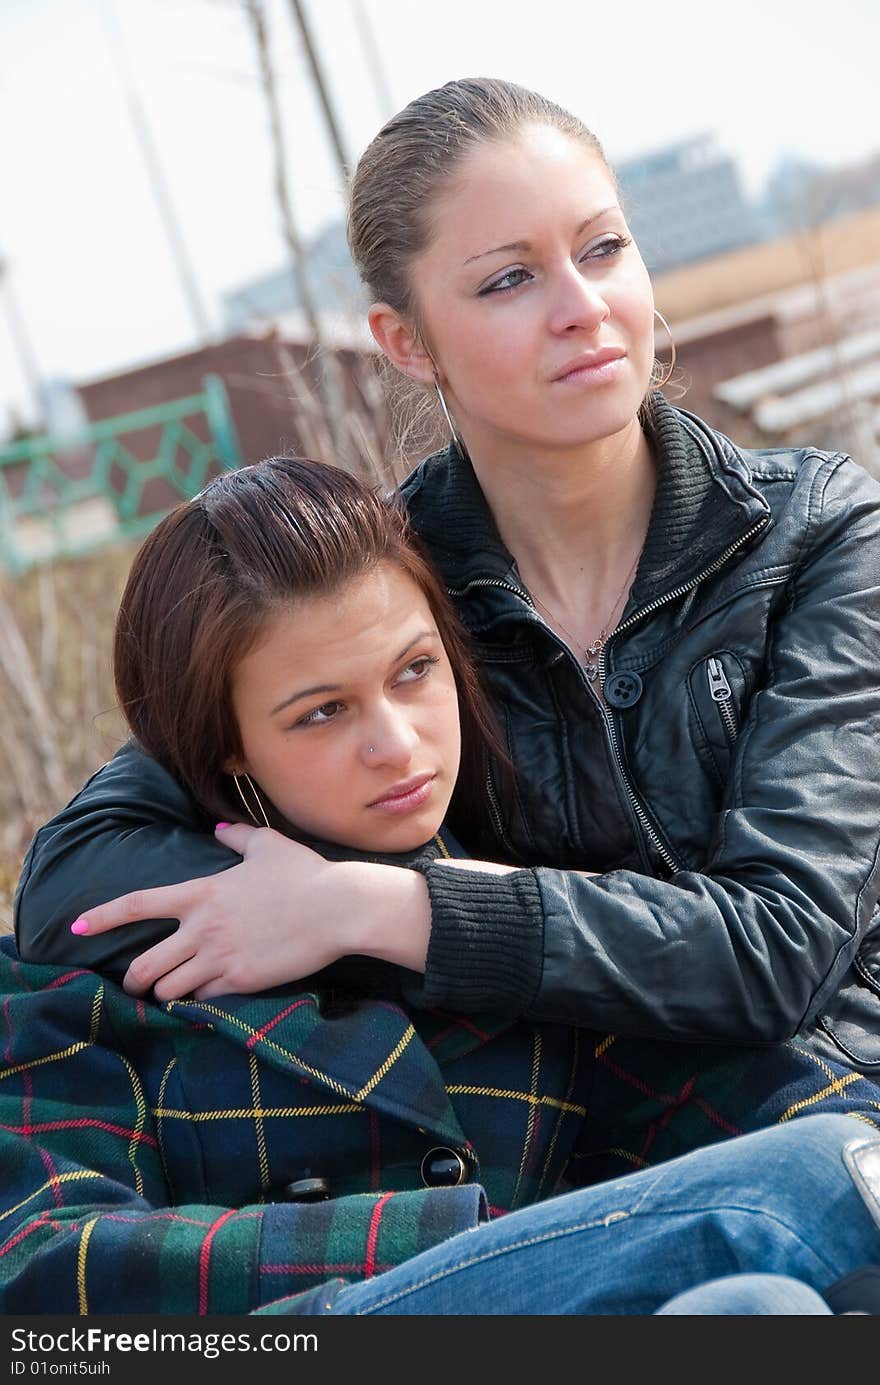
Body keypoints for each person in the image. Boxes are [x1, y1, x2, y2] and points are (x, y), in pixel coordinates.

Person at [13, 77, 880, 1146]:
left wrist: (376, 907)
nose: (581, 306)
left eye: (602, 248)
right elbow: (73, 876)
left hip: (838, 1103)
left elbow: (777, 951)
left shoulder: (813, 530)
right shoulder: (375, 586)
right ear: (406, 339)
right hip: (558, 1165)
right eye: (509, 278)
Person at [2, 456, 879, 1316]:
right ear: (224, 743)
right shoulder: (102, 961)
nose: (397, 743)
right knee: (810, 1185)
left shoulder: (507, 916)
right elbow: (39, 1267)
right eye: (321, 712)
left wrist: (380, 912)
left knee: (764, 1291)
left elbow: (769, 1102)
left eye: (414, 671)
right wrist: (478, 1235)